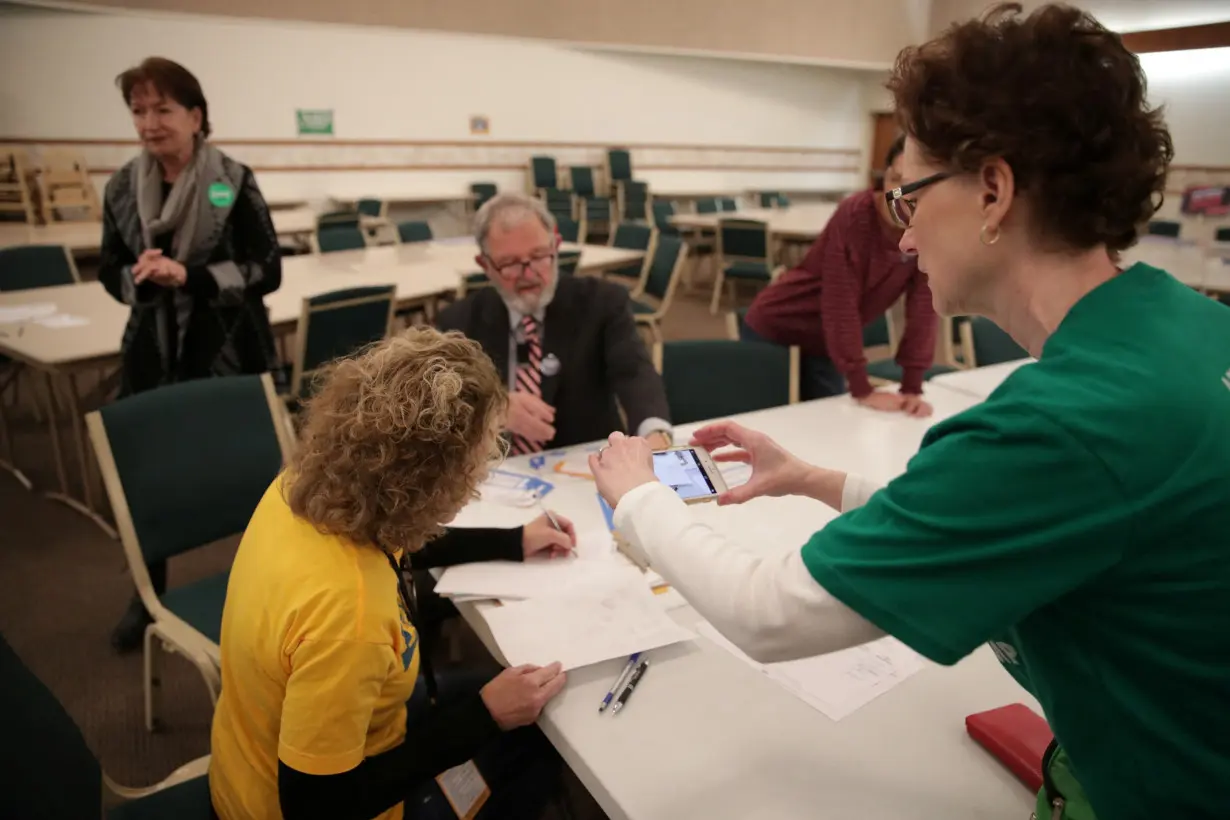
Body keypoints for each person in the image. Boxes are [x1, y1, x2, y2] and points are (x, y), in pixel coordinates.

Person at [587, 4, 1230, 818]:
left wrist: (637, 495)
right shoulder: (1191, 327)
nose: (904, 239)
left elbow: (772, 615)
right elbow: (1025, 515)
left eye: (910, 198)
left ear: (993, 191)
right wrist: (818, 479)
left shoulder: (1067, 420)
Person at [210, 329, 570, 820]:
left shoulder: (304, 487)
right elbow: (318, 808)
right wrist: (485, 716)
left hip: (250, 765)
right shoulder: (351, 620)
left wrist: (512, 540)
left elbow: (393, 541)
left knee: (508, 701)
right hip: (298, 803)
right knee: (542, 736)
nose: (482, 473)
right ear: (431, 481)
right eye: (481, 459)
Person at [98, 57, 283, 652]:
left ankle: (271, 582)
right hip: (153, 347)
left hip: (227, 347)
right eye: (138, 111)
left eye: (163, 109)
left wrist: (193, 276)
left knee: (249, 470)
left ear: (196, 116)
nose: (150, 123)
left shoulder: (233, 177)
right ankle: (145, 595)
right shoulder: (124, 186)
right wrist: (140, 275)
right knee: (145, 475)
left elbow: (267, 269)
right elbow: (107, 270)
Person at [438, 192, 672, 453]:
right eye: (510, 264)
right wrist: (491, 411)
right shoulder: (459, 323)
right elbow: (441, 405)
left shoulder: (602, 302)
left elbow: (634, 372)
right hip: (497, 473)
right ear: (485, 265)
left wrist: (655, 434)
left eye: (539, 256)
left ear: (556, 245)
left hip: (587, 464)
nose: (528, 275)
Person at [741, 136, 937, 416]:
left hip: (824, 343)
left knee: (829, 423)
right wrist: (861, 386)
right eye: (896, 179)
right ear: (882, 179)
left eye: (918, 185)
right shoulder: (856, 215)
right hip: (777, 326)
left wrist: (911, 387)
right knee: (766, 421)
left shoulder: (924, 227)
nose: (903, 194)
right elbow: (839, 302)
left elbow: (922, 307)